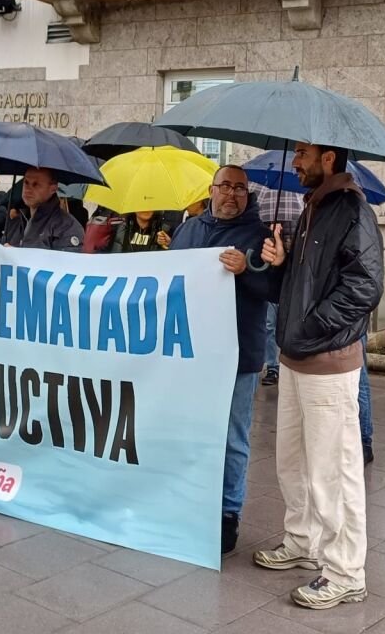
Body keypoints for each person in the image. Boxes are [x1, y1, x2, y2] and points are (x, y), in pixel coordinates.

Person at [253, 142, 382, 610]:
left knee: (334, 469)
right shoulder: (313, 208)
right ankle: (303, 541)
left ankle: (346, 571)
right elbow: (303, 284)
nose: (295, 162)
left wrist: (311, 327)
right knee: (294, 460)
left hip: (327, 359)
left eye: (303, 154)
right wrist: (281, 263)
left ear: (328, 158)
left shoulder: (352, 211)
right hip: (295, 356)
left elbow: (364, 286)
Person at [170, 165, 279, 555]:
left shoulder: (261, 236)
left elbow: (275, 290)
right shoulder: (187, 230)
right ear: (211, 190)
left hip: (238, 353)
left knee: (232, 437)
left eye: (239, 188)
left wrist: (247, 270)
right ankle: (189, 501)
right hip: (190, 351)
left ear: (247, 195)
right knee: (189, 430)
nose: (231, 194)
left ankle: (227, 513)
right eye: (225, 186)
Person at [250, 181, 304, 387]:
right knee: (269, 324)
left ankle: (288, 364)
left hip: (293, 278)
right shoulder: (262, 214)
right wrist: (269, 233)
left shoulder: (300, 214)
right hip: (271, 275)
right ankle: (273, 366)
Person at [1, 167, 84, 251]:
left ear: (53, 188)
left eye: (35, 184)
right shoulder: (16, 222)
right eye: (26, 182)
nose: (28, 189)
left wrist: (18, 255)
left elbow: (68, 258)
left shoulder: (67, 227)